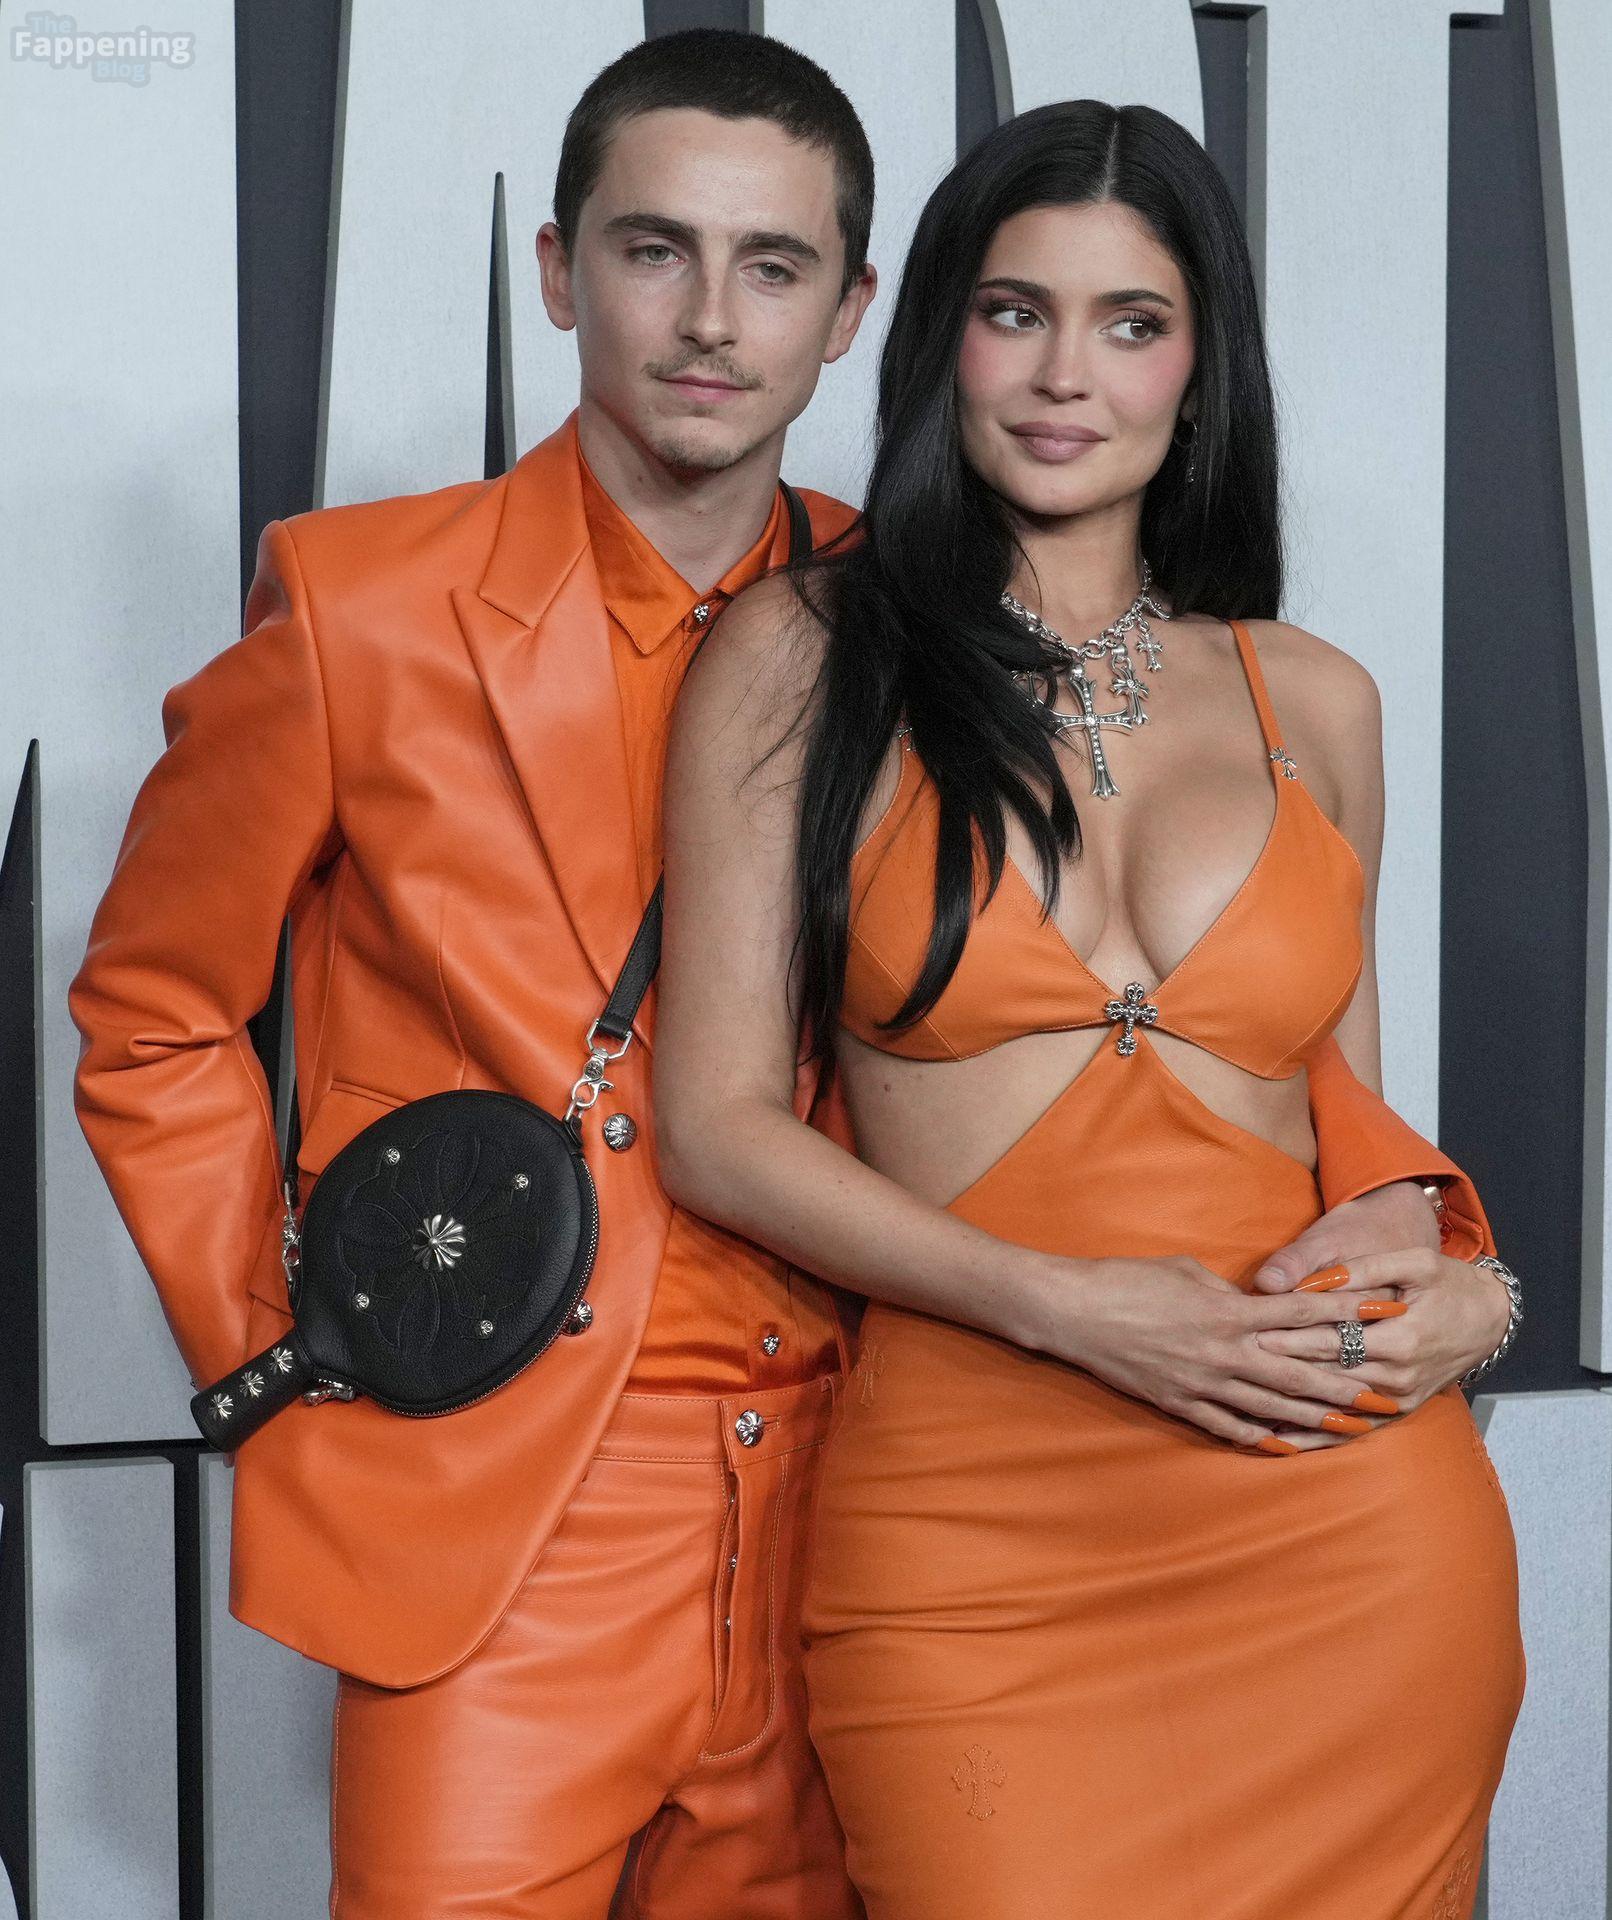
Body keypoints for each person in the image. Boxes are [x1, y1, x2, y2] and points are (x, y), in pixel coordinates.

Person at [654, 100, 1524, 1919]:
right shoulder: (802, 656)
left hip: (1340, 1529)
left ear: (1201, 375)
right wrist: (1068, 1307)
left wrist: (1473, 1291)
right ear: (939, 341)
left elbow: (1351, 1130)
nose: (1068, 375)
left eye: (1134, 323)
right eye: (1016, 311)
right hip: (977, 1533)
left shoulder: (1316, 699)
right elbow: (716, 1129)